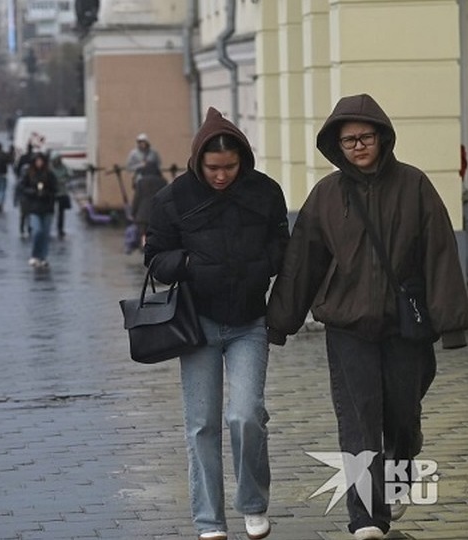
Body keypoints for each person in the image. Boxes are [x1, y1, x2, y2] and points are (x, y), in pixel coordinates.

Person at [266, 94, 468, 540]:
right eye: (349, 140)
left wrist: (452, 323)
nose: (358, 146)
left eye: (366, 137)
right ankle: (366, 518)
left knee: (402, 413)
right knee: (359, 420)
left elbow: (440, 254)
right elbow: (303, 262)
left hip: (405, 326)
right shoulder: (325, 196)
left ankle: (399, 474)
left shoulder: (415, 186)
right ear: (336, 146)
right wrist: (279, 321)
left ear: (382, 137)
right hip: (347, 325)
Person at [144, 107, 288, 540]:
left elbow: (284, 245)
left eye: (230, 166)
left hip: (249, 321)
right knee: (202, 424)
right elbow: (155, 258)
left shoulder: (265, 192)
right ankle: (209, 520)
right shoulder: (172, 199)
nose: (222, 176)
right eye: (213, 168)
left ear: (243, 159)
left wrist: (263, 264)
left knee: (246, 415)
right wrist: (188, 262)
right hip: (196, 324)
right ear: (198, 162)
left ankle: (253, 504)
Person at [18, 152, 58, 267]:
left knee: (45, 233)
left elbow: (55, 188)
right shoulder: (29, 174)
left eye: (41, 161)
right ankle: (35, 255)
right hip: (34, 207)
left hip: (47, 207)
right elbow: (22, 187)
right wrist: (33, 192)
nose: (39, 163)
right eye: (37, 161)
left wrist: (47, 193)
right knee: (37, 231)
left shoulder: (49, 174)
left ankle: (43, 257)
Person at [129, 161, 167, 250]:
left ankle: (143, 248)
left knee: (143, 234)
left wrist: (133, 212)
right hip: (158, 214)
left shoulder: (141, 182)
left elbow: (137, 199)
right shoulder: (163, 182)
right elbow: (166, 199)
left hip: (142, 214)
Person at [49, 152, 72, 238]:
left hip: (62, 192)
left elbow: (69, 174)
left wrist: (64, 180)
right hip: (52, 192)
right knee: (50, 211)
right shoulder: (50, 168)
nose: (57, 161)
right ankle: (49, 228)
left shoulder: (64, 167)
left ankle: (60, 228)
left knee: (61, 212)